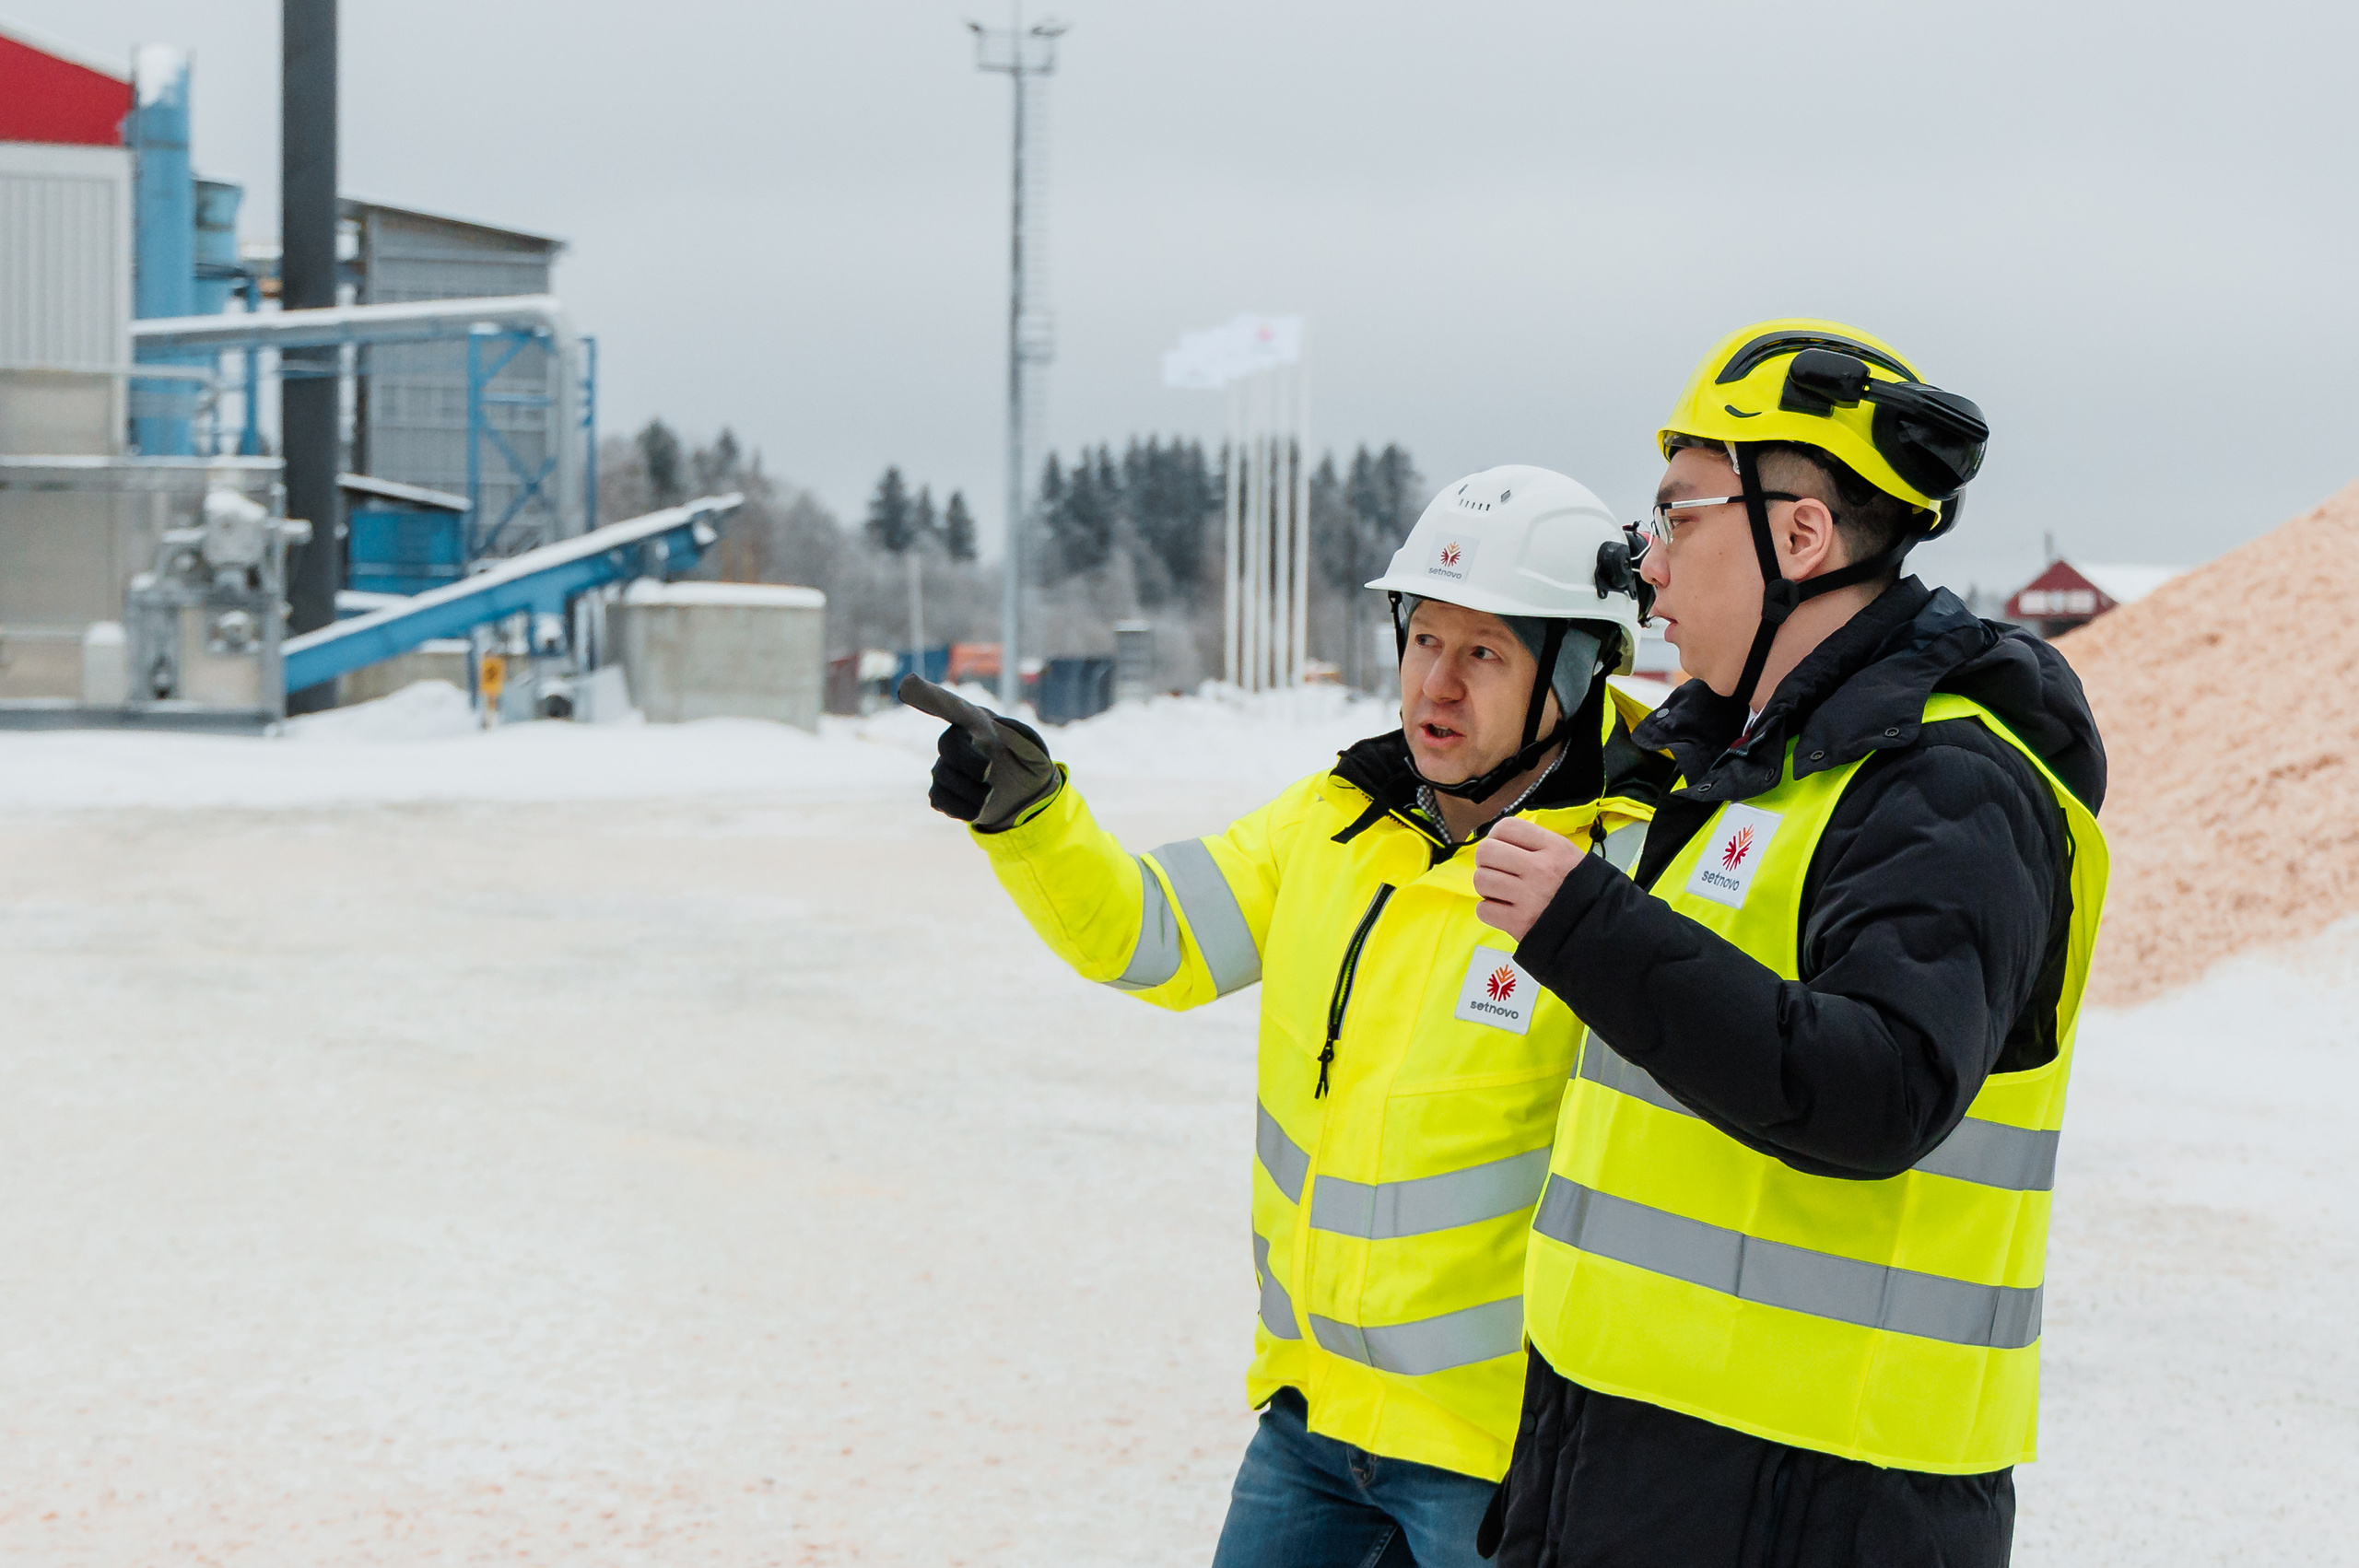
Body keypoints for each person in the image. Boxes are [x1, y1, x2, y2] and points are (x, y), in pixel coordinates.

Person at [905, 467, 1665, 1568]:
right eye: (1422, 643)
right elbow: (1153, 933)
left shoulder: (1642, 862)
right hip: (1312, 1421)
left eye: (1484, 653)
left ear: (1583, 664)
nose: (1434, 689)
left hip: (1503, 1456)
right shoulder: (1334, 823)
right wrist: (1031, 818)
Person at [1469, 322, 2110, 1568]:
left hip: (1814, 1499)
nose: (1643, 562)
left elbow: (1877, 1087)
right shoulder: (1728, 773)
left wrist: (1592, 929)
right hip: (1631, 1453)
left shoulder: (1950, 789)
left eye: (1677, 517)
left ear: (1801, 537)